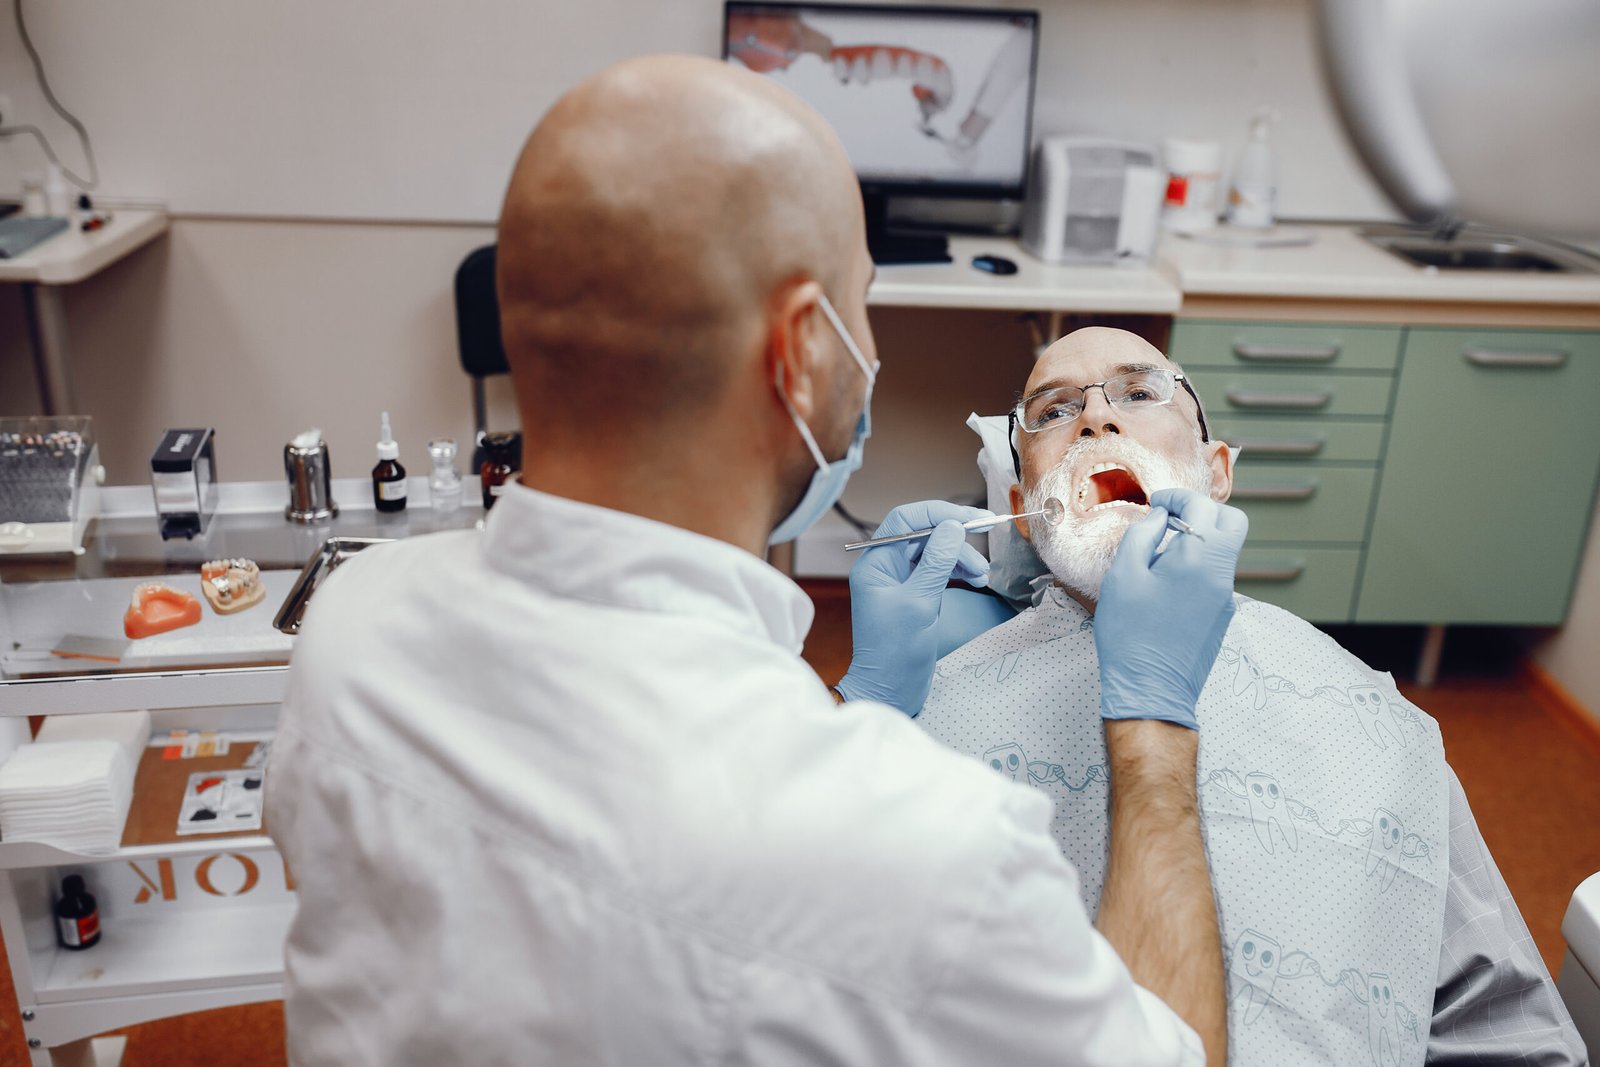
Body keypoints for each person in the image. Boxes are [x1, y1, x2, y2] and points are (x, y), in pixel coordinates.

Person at [265, 57, 1248, 1065]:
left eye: (1133, 395)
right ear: (802, 352)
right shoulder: (940, 851)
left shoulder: (348, 629)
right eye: (859, 305)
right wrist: (1153, 726)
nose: (1094, 418)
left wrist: (866, 701)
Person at [908, 326, 1586, 1065]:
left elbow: (1506, 1023)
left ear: (1216, 471)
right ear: (1017, 500)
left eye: (1139, 393)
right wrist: (870, 700)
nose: (1096, 419)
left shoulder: (1380, 722)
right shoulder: (928, 712)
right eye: (1053, 409)